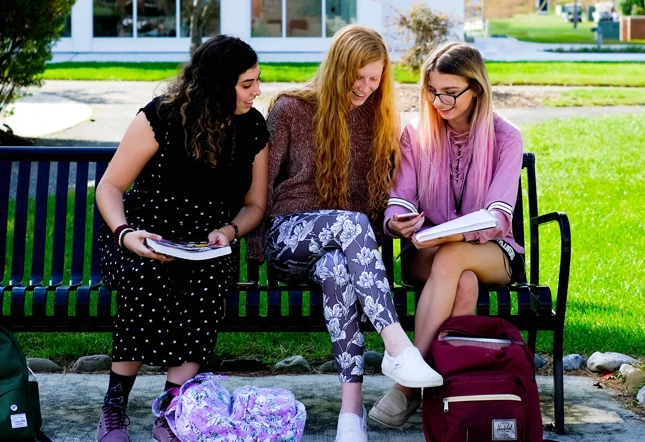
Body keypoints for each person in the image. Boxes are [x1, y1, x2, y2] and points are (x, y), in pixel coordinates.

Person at [247, 24, 443, 442]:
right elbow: (259, 188)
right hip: (289, 238)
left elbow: (377, 200)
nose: (367, 87)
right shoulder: (291, 108)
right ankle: (397, 348)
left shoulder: (379, 118)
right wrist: (253, 256)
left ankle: (350, 414)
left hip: (343, 251)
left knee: (338, 268)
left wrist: (392, 225)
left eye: (375, 79)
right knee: (347, 222)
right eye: (359, 77)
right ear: (338, 68)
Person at [94, 35, 268, 442]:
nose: (257, 92)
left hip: (206, 243)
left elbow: (255, 205)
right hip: (143, 234)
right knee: (146, 276)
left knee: (206, 281)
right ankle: (114, 406)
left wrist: (229, 231)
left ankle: (173, 409)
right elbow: (109, 187)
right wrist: (125, 234)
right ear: (216, 85)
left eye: (258, 81)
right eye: (247, 84)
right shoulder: (162, 117)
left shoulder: (252, 126)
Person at [373, 41, 525, 428]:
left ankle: (408, 386)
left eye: (451, 92)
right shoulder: (416, 134)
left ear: (476, 89)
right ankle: (449, 393)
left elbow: (497, 215)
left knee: (456, 259)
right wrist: (397, 222)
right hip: (425, 252)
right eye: (433, 92)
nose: (440, 102)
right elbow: (401, 198)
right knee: (464, 283)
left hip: (490, 250)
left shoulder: (506, 137)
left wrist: (459, 235)